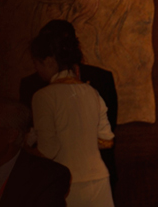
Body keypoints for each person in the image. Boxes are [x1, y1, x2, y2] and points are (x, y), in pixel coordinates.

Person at [30, 27, 132, 207]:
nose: (37, 70)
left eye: (38, 63)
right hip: (98, 183)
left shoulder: (43, 96)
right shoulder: (91, 91)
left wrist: (28, 145)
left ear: (50, 61)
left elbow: (49, 151)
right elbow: (107, 139)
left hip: (67, 185)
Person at [20, 20, 119, 183]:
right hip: (52, 175)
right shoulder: (31, 86)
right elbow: (31, 131)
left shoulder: (100, 79)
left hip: (93, 173)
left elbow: (107, 133)